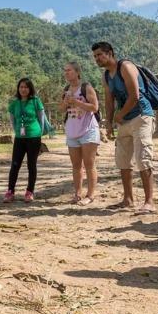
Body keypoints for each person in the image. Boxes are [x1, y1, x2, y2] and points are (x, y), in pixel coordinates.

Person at [91, 42, 156, 213]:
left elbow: (134, 95)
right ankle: (128, 200)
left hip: (141, 116)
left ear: (110, 53)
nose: (97, 58)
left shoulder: (126, 67)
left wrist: (119, 115)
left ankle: (149, 201)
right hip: (124, 121)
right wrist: (110, 122)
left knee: (143, 158)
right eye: (95, 56)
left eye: (100, 55)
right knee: (123, 160)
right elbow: (108, 101)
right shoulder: (106, 76)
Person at [59, 62, 100, 206]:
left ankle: (90, 195)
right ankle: (77, 193)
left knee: (89, 164)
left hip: (88, 130)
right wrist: (65, 102)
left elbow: (95, 107)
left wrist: (76, 101)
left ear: (77, 72)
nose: (66, 73)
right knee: (76, 165)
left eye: (69, 70)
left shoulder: (86, 87)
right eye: (65, 71)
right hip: (72, 131)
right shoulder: (65, 90)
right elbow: (62, 110)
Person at [3, 78, 45, 203]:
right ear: (18, 88)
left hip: (34, 137)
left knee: (31, 165)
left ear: (30, 88)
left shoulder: (36, 101)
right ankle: (10, 191)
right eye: (21, 87)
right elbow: (12, 119)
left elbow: (41, 116)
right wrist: (16, 130)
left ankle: (29, 191)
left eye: (26, 87)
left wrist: (40, 132)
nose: (23, 89)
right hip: (20, 138)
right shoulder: (14, 103)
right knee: (15, 165)